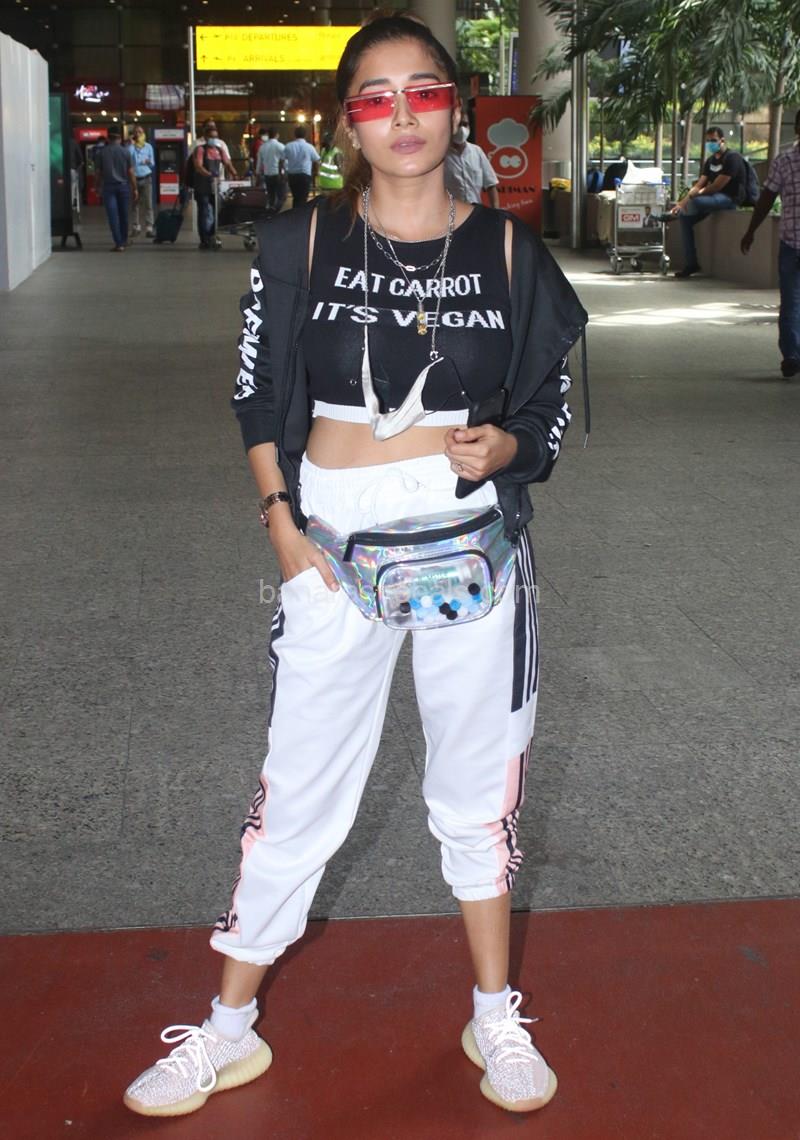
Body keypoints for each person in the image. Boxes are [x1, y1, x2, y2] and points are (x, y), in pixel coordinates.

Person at [123, 13, 586, 1121]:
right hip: (328, 544)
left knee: (476, 787)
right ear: (347, 124)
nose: (403, 117)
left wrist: (507, 447)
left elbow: (549, 405)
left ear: (456, 108)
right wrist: (281, 524)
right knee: (298, 787)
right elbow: (255, 393)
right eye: (376, 99)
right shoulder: (300, 243)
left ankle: (492, 1011)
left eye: (423, 92)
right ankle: (228, 1029)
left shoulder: (510, 251)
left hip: (471, 546)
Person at [741, 108, 800, 379]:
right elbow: (766, 198)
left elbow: (767, 198)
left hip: (790, 242)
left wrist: (751, 231)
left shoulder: (784, 160)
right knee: (790, 302)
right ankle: (792, 355)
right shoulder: (783, 161)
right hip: (790, 244)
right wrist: (750, 230)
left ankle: (792, 355)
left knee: (791, 302)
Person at [670, 126, 746, 278]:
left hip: (729, 198)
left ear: (722, 140)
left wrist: (695, 195)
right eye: (708, 141)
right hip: (712, 199)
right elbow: (700, 184)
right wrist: (681, 203)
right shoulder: (710, 161)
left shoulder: (733, 158)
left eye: (713, 140)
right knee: (685, 218)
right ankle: (691, 263)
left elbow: (717, 185)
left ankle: (672, 215)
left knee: (696, 203)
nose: (710, 143)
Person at [193, 121, 237, 249]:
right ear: (206, 137)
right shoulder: (200, 149)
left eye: (215, 137)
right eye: (211, 137)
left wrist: (235, 174)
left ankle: (212, 233)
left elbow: (227, 163)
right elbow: (198, 166)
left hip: (215, 186)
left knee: (218, 210)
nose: (214, 139)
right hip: (202, 186)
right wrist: (209, 175)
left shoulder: (219, 150)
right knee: (204, 211)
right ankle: (204, 239)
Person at [95, 127, 137, 251]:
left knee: (113, 216)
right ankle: (124, 240)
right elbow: (131, 172)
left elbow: (98, 172)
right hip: (124, 186)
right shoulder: (126, 152)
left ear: (108, 138)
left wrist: (97, 186)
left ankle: (119, 244)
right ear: (119, 138)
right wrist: (135, 188)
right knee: (124, 215)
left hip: (108, 187)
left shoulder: (101, 153)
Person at [445, 114, 499, 207]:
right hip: (451, 211)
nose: (462, 129)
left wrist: (496, 212)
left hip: (475, 210)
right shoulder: (441, 155)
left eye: (465, 124)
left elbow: (491, 185)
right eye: (458, 124)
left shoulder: (477, 151)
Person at [283, 125, 320, 207]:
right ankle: (301, 213)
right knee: (303, 198)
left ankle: (294, 212)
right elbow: (317, 160)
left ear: (294, 134)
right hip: (305, 176)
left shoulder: (289, 146)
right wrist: (316, 172)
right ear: (305, 135)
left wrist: (283, 172)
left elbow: (282, 160)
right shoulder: (309, 147)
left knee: (295, 197)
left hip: (292, 175)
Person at [129, 124, 155, 238]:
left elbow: (152, 163)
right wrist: (132, 145)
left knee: (148, 203)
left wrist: (148, 161)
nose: (138, 134)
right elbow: (128, 159)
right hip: (134, 178)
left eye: (140, 132)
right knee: (135, 204)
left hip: (146, 177)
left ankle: (149, 228)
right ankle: (136, 227)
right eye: (136, 132)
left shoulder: (148, 147)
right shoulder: (131, 147)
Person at [255, 126, 287, 211]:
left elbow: (259, 163)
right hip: (278, 174)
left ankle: (272, 211)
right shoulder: (280, 146)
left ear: (268, 135)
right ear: (277, 135)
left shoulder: (262, 147)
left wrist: (257, 174)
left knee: (271, 196)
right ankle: (276, 211)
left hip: (267, 174)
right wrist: (286, 172)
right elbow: (285, 161)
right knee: (282, 196)